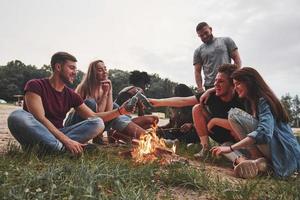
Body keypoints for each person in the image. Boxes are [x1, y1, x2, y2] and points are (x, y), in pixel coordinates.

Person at [7, 52, 135, 155]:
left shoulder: (70, 94)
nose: (75, 72)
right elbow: (40, 119)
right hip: (37, 133)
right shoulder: (35, 85)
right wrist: (67, 141)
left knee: (97, 123)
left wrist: (121, 111)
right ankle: (61, 149)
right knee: (17, 116)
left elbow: (94, 116)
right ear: (58, 67)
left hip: (61, 133)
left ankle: (51, 149)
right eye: (71, 68)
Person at [211, 67, 300, 178]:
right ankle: (261, 166)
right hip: (270, 153)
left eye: (238, 84)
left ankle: (254, 161)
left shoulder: (264, 101)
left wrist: (231, 148)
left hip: (284, 155)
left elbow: (264, 132)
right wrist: (229, 147)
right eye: (234, 84)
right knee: (225, 145)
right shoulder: (250, 102)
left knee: (233, 114)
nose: (235, 88)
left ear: (249, 83)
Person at [150, 64, 244, 158]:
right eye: (216, 80)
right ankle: (205, 149)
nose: (215, 84)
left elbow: (246, 125)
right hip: (218, 133)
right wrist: (156, 102)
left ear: (233, 84)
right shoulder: (211, 95)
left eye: (221, 81)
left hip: (239, 136)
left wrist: (214, 121)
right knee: (197, 108)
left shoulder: (241, 97)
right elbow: (183, 101)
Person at [64, 60, 150, 142]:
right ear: (93, 73)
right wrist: (105, 94)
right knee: (91, 102)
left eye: (105, 69)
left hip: (95, 121)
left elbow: (109, 111)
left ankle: (148, 138)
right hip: (75, 124)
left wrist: (110, 90)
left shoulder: (105, 86)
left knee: (115, 106)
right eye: (100, 70)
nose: (105, 71)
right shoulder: (85, 87)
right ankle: (101, 135)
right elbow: (96, 115)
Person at [193, 22, 242, 92]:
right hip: (209, 85)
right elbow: (197, 71)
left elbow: (237, 59)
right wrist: (200, 88)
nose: (204, 36)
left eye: (206, 33)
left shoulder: (226, 41)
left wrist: (235, 77)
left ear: (210, 29)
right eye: (201, 35)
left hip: (227, 83)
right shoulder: (198, 51)